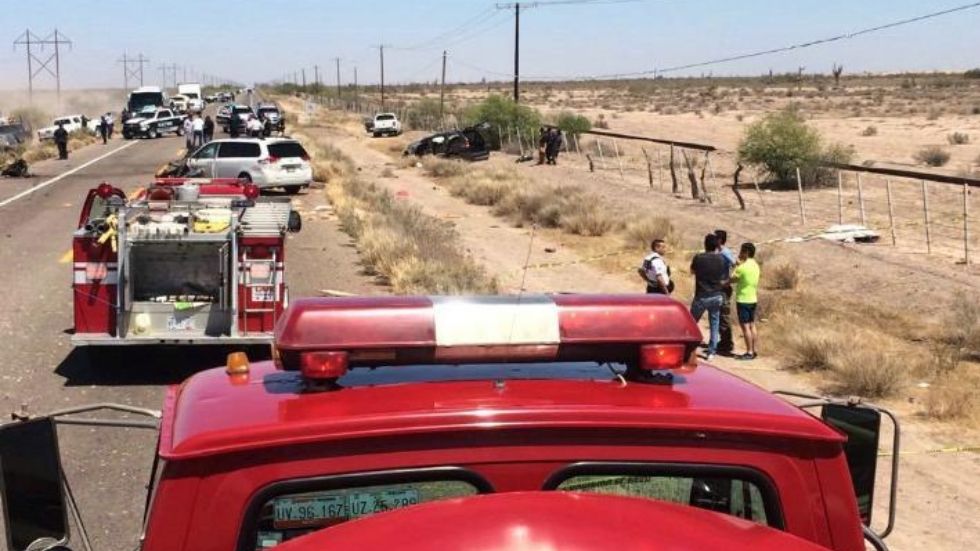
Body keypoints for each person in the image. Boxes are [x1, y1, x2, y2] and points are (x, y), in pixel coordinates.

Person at [690, 233, 728, 360]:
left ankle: (689, 347)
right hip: (716, 295)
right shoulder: (722, 259)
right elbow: (724, 277)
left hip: (701, 295)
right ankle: (711, 351)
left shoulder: (699, 257)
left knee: (691, 323)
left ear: (705, 244)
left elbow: (692, 271)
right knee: (714, 324)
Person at [731, 242, 761, 360]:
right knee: (752, 325)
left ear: (746, 252)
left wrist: (737, 266)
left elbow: (732, 279)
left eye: (742, 251)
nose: (740, 253)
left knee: (745, 327)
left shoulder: (742, 267)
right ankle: (754, 349)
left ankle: (749, 352)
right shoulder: (756, 265)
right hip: (753, 298)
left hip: (743, 299)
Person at [713, 229, 737, 356]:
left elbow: (735, 264)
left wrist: (728, 280)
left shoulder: (725, 252)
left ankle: (727, 343)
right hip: (716, 287)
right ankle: (722, 341)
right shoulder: (716, 252)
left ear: (720, 240)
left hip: (723, 288)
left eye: (715, 237)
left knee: (724, 316)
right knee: (717, 314)